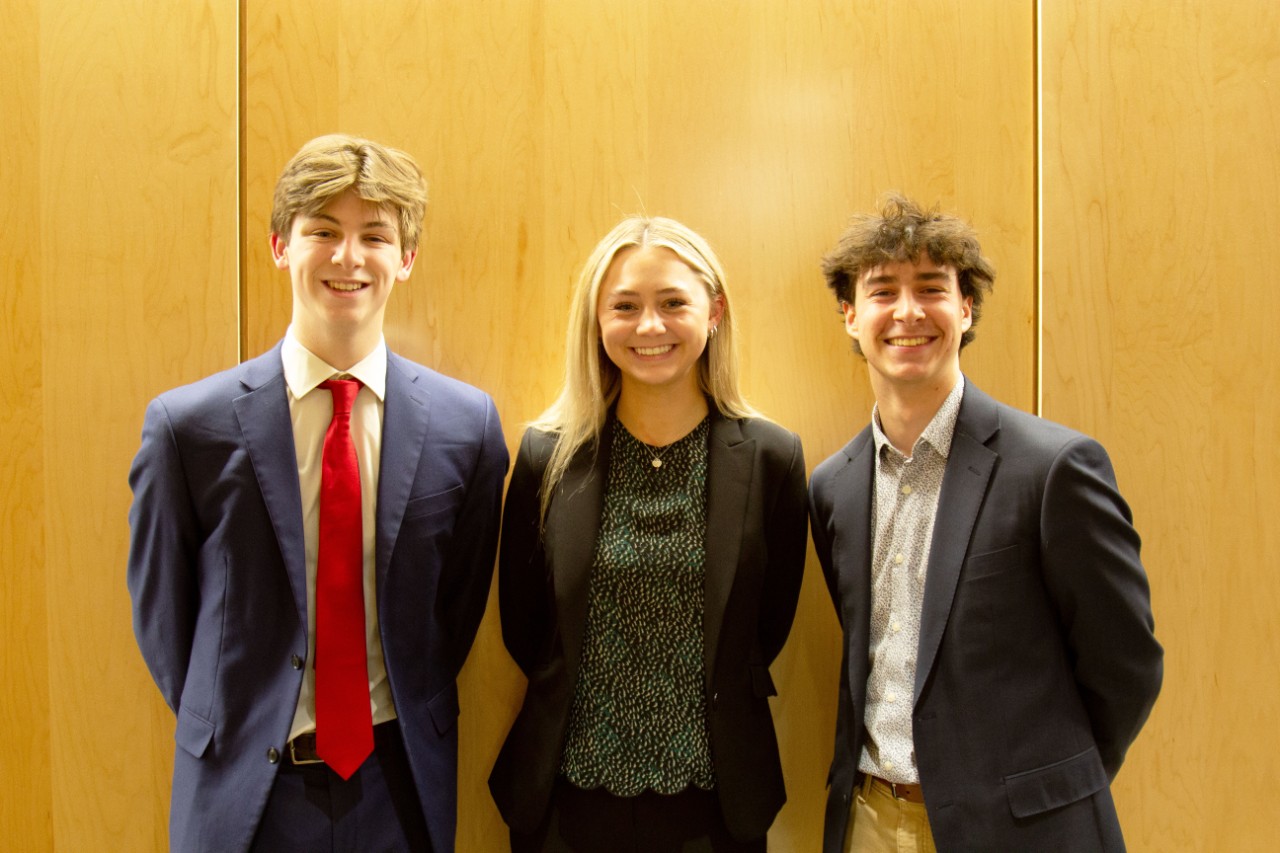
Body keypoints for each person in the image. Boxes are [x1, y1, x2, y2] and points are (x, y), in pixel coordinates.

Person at [127, 134, 508, 853]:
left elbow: (450, 614)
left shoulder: (468, 427)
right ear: (280, 244)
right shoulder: (189, 427)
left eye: (375, 235)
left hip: (398, 786)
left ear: (407, 256)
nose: (348, 257)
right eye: (322, 231)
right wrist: (233, 719)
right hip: (245, 790)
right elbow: (166, 621)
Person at [809, 195, 1162, 852]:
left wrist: (1049, 783)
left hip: (1022, 830)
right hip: (868, 823)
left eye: (932, 289)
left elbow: (1127, 664)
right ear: (851, 316)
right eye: (883, 291)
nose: (908, 311)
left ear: (965, 308)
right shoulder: (832, 486)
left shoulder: (1053, 467)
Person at [488, 217, 808, 852]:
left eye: (673, 303)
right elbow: (525, 628)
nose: (650, 327)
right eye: (625, 307)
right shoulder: (546, 456)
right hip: (565, 804)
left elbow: (764, 628)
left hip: (717, 808)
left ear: (714, 311)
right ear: (597, 321)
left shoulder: (772, 457)